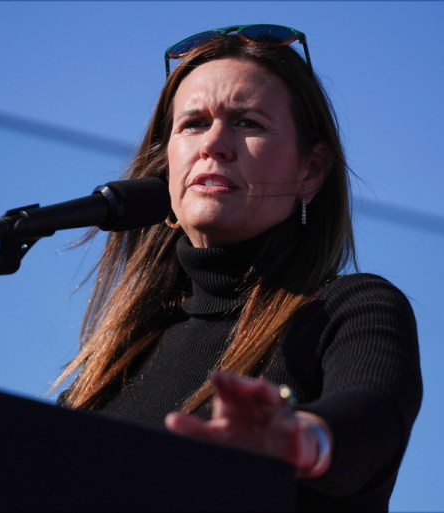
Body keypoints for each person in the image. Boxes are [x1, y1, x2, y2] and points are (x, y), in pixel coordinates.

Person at [53, 24, 422, 512]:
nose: (214, 145)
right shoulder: (111, 360)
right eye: (192, 124)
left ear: (309, 171)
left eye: (248, 122)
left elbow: (372, 419)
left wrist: (300, 439)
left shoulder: (348, 308)